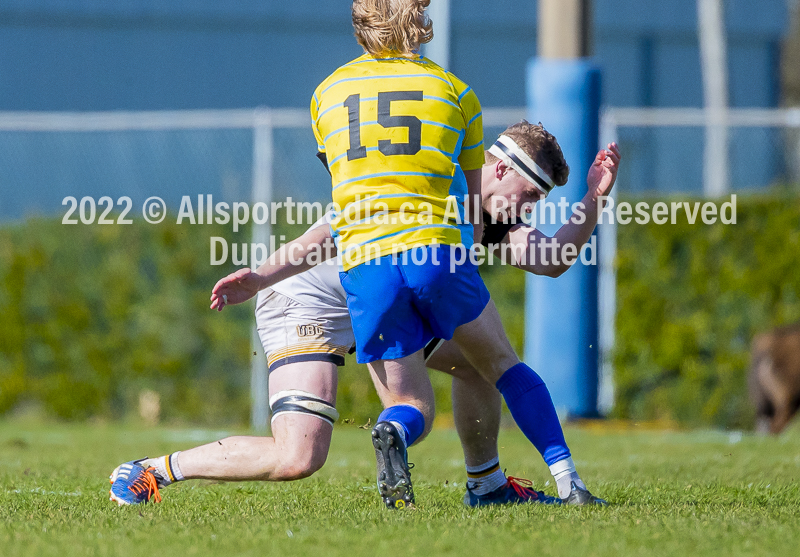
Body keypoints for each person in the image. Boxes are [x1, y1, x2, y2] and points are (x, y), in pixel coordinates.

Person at [107, 122, 619, 509]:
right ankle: (151, 471)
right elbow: (327, 234)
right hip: (309, 299)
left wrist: (594, 200)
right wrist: (263, 277)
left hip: (387, 304)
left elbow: (551, 260)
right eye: (530, 195)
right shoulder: (430, 183)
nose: (528, 210)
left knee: (482, 362)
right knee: (297, 458)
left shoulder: (495, 215)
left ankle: (486, 486)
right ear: (502, 169)